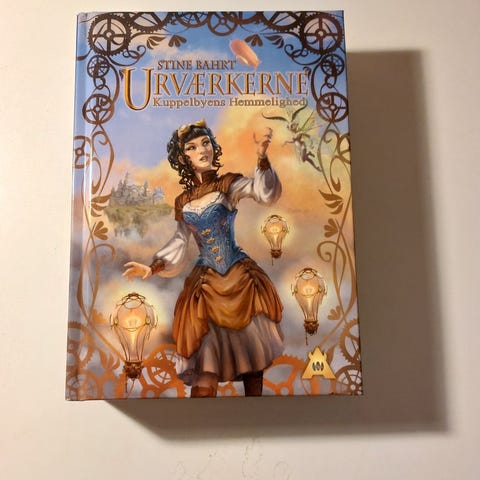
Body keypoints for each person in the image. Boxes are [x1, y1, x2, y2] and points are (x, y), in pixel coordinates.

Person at [123, 119, 284, 397]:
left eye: (206, 142)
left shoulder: (227, 184)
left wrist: (261, 157)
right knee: (205, 361)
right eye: (193, 147)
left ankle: (255, 413)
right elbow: (180, 241)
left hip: (241, 280)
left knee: (252, 359)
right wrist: (153, 267)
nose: (202, 150)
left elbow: (264, 192)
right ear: (183, 158)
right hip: (206, 288)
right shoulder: (182, 201)